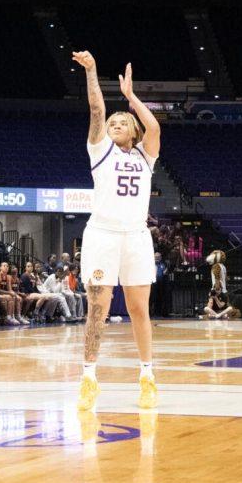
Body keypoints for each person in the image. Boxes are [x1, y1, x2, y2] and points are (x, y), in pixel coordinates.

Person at [71, 50, 161, 411]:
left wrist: (131, 98)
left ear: (133, 130)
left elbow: (153, 128)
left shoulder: (145, 156)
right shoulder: (101, 151)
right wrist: (92, 71)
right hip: (103, 236)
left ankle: (147, 375)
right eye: (113, 123)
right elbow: (96, 111)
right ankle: (89, 377)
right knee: (98, 308)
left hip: (136, 237)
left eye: (122, 121)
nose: (115, 124)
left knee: (140, 308)